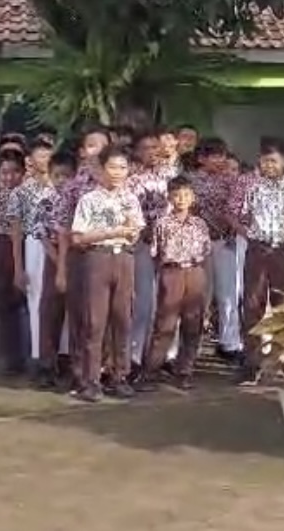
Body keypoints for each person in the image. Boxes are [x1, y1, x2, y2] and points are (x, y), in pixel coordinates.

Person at [69, 145, 144, 402]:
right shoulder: (89, 200)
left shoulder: (131, 199)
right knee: (95, 322)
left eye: (123, 167)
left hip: (124, 258)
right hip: (97, 259)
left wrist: (129, 232)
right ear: (101, 169)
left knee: (123, 319)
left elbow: (136, 231)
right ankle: (90, 380)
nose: (117, 173)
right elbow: (78, 237)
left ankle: (119, 376)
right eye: (112, 167)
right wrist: (112, 232)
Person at [235, 141, 284, 379]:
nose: (268, 166)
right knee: (252, 305)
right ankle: (251, 362)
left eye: (273, 161)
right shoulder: (253, 188)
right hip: (257, 251)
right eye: (264, 161)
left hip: (280, 252)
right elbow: (242, 217)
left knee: (282, 304)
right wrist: (254, 237)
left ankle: (283, 358)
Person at [137, 175, 212, 391]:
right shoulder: (162, 224)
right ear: (169, 197)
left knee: (193, 324)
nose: (181, 200)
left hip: (195, 272)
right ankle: (151, 371)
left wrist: (202, 281)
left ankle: (185, 371)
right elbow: (155, 254)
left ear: (193, 198)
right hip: (171, 273)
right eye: (176, 195)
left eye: (186, 195)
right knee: (165, 324)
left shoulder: (200, 224)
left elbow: (206, 254)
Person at [53, 126, 112, 392]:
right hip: (81, 257)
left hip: (113, 257)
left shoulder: (120, 184)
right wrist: (62, 269)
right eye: (91, 145)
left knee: (111, 318)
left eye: (102, 145)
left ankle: (108, 372)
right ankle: (82, 374)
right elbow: (63, 229)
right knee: (83, 318)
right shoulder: (74, 186)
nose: (96, 150)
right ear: (82, 151)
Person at [127, 129, 181, 373]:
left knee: (171, 301)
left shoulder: (172, 175)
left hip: (170, 246)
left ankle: (168, 355)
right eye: (145, 148)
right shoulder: (130, 179)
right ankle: (136, 356)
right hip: (142, 245)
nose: (151, 152)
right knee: (143, 303)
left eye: (154, 147)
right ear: (137, 152)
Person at [7, 139, 59, 385]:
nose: (45, 160)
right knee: (38, 301)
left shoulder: (62, 187)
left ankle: (62, 356)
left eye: (49, 155)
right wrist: (18, 267)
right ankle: (40, 359)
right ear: (30, 160)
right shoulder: (21, 192)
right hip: (34, 245)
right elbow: (15, 231)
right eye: (40, 156)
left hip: (61, 243)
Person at [187, 138, 241, 360]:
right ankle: (192, 346)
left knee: (229, 293)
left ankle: (230, 343)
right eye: (215, 155)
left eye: (223, 155)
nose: (220, 160)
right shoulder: (189, 181)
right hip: (197, 244)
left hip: (224, 241)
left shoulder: (232, 181)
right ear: (201, 159)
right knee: (198, 296)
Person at [35, 151, 79, 389]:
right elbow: (41, 234)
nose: (62, 180)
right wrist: (58, 262)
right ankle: (46, 365)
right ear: (50, 176)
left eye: (67, 176)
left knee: (77, 314)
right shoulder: (45, 199)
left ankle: (73, 364)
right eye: (57, 176)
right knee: (50, 313)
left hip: (78, 257)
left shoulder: (78, 198)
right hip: (53, 257)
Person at [0, 147, 28, 376]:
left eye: (14, 172)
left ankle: (33, 354)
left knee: (27, 302)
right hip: (1, 245)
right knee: (4, 304)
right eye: (4, 172)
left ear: (23, 172)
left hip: (25, 244)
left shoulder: (28, 194)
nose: (9, 177)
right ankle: (11, 357)